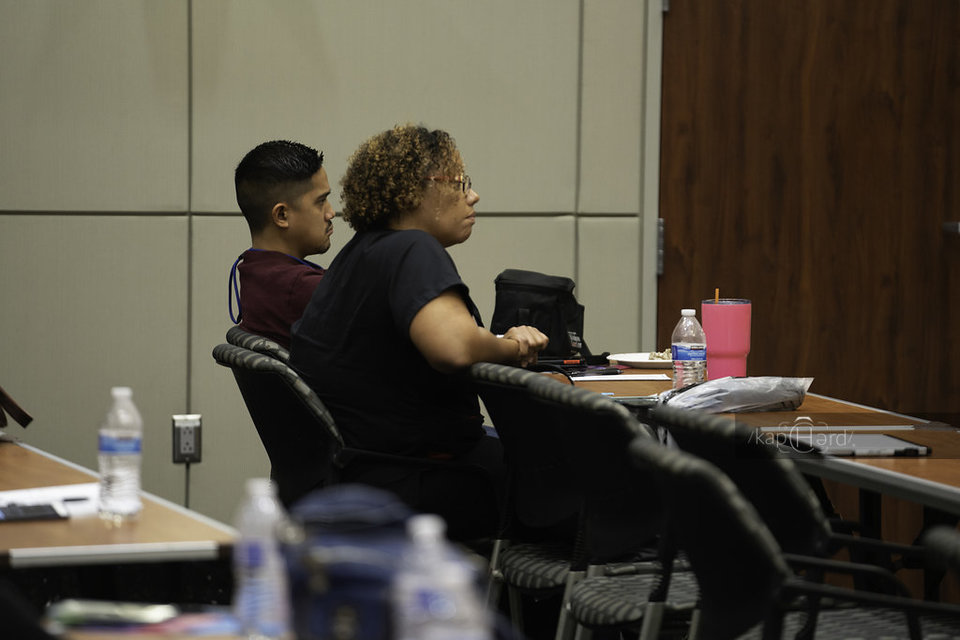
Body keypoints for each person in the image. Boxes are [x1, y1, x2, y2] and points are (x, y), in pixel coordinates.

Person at [290, 124, 548, 540]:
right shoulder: (413, 248)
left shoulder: (359, 253)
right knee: (597, 484)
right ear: (417, 190)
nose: (473, 195)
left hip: (365, 476)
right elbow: (453, 347)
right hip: (430, 483)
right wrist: (513, 346)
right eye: (461, 183)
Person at [228, 140, 336, 349]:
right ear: (282, 215)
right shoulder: (300, 288)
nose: (330, 213)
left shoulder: (253, 271)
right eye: (321, 201)